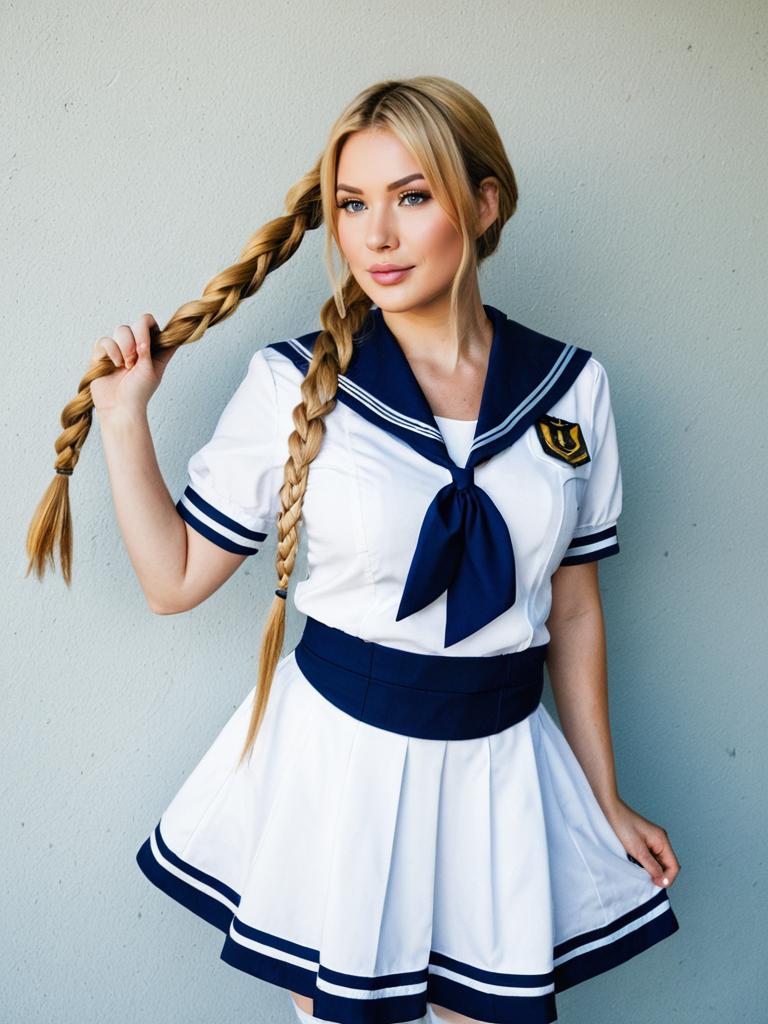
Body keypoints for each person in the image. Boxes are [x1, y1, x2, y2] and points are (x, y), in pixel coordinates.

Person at [26, 76, 681, 1024]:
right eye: (352, 204)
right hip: (340, 772)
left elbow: (573, 611)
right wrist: (126, 419)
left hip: (500, 769)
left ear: (485, 204)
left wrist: (602, 796)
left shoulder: (573, 388)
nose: (375, 236)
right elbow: (172, 582)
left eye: (411, 198)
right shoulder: (292, 383)